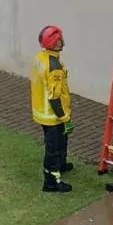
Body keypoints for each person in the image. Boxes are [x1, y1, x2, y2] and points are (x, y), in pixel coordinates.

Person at [30, 25, 75, 193]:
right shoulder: (54, 65)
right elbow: (54, 96)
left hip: (42, 111)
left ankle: (61, 165)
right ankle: (51, 181)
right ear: (55, 43)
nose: (62, 42)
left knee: (60, 142)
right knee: (53, 147)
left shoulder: (40, 57)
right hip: (53, 115)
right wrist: (64, 117)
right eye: (59, 40)